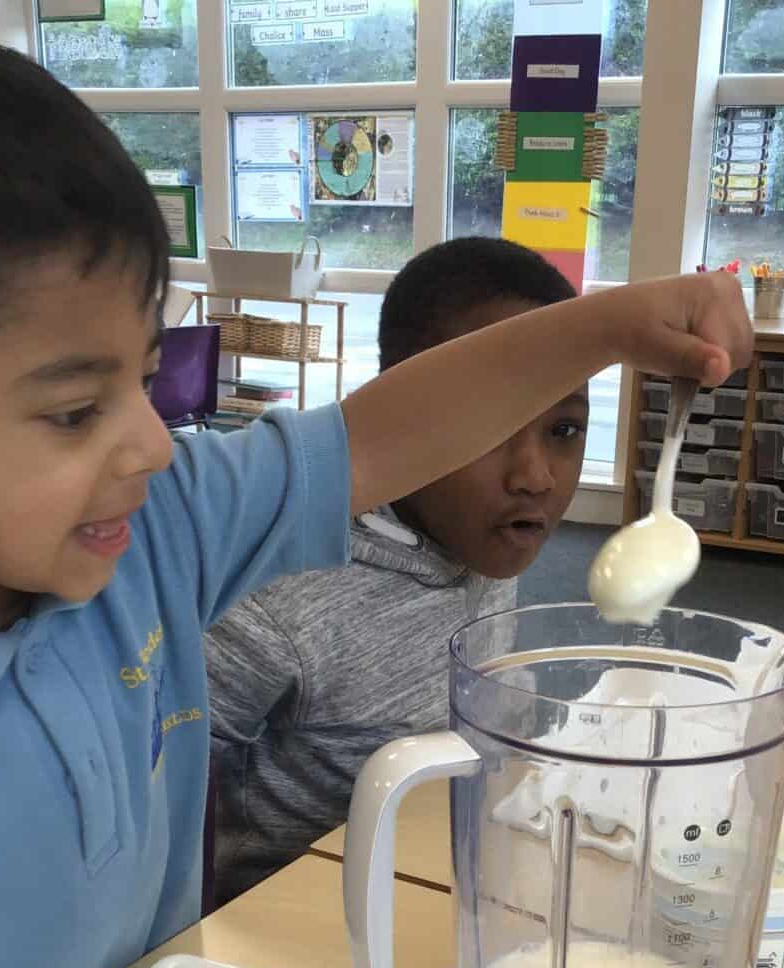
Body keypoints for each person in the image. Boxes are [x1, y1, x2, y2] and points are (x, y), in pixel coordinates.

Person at [0, 18, 751, 968]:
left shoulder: (153, 525)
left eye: (146, 381)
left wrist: (614, 323)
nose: (153, 443)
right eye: (75, 411)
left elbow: (382, 432)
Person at [205, 238, 587, 906]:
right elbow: (162, 808)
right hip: (295, 925)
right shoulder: (275, 600)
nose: (536, 478)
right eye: (490, 425)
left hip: (446, 877)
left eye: (564, 430)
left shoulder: (484, 534)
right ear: (394, 408)